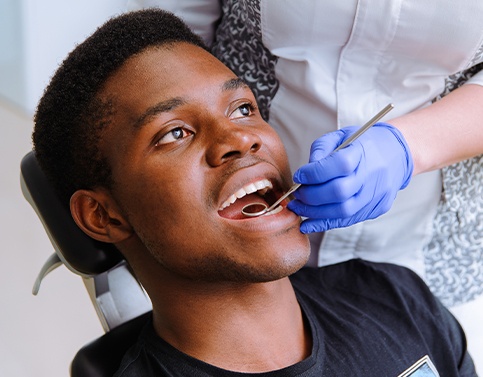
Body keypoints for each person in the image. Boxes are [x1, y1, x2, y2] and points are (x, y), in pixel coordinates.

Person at [32, 9, 476, 376]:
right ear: (103, 216)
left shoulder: (399, 299)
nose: (240, 138)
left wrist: (405, 147)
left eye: (244, 108)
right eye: (174, 133)